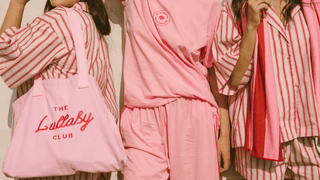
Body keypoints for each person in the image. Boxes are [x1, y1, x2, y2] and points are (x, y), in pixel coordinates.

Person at [0, 0, 117, 179]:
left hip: (49, 170)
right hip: (87, 170)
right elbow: (109, 105)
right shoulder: (92, 25)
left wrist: (17, 3)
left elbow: (5, 53)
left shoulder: (58, 22)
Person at [118, 0, 230, 179]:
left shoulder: (209, 4)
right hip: (142, 114)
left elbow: (213, 70)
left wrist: (225, 133)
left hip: (192, 113)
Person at [212, 0, 320, 178]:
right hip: (259, 135)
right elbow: (234, 78)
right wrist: (252, 26)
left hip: (307, 129)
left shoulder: (309, 5)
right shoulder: (234, 9)